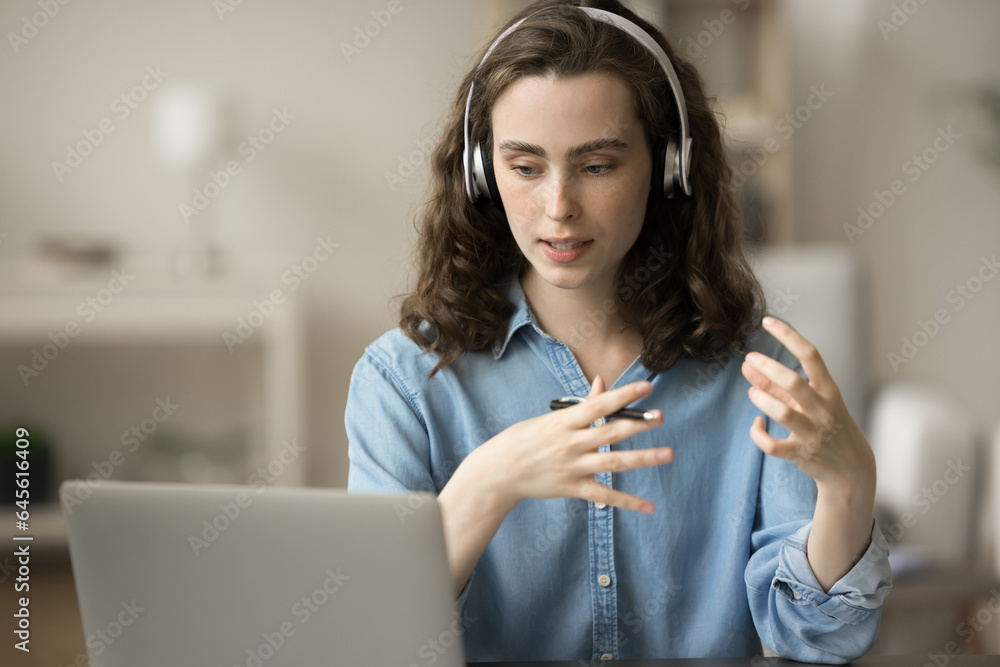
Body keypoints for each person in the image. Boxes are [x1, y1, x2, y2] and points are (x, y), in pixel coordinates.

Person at [345, 0, 891, 662]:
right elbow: (374, 643)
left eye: (597, 165)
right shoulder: (402, 380)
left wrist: (850, 484)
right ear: (481, 173)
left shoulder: (761, 373)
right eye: (525, 166)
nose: (558, 206)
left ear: (669, 170)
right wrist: (488, 481)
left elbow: (819, 643)